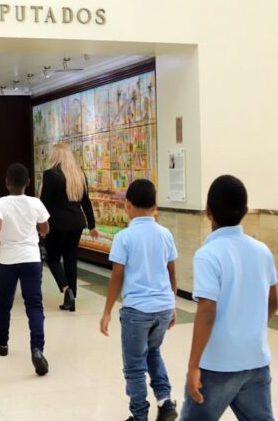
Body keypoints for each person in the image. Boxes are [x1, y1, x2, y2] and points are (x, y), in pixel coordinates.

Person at [181, 175, 278, 421]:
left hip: (217, 365)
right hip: (256, 360)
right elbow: (273, 303)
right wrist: (249, 330)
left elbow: (207, 311)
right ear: (245, 210)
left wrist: (193, 365)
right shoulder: (262, 251)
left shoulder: (208, 254)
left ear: (208, 211)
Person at [99, 179, 179, 421]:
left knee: (134, 366)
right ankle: (165, 401)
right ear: (155, 206)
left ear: (127, 204)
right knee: (153, 352)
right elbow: (172, 273)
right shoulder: (165, 234)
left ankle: (139, 416)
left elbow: (117, 277)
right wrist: (172, 305)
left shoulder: (124, 237)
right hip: (163, 308)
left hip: (137, 312)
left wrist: (107, 311)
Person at [0, 163, 50, 376]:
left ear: (6, 183)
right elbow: (45, 229)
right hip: (31, 258)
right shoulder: (35, 202)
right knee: (34, 305)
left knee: (4, 303)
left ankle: (2, 341)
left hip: (8, 261)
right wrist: (36, 229)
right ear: (28, 183)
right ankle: (37, 349)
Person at [40, 143, 98, 312]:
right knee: (71, 258)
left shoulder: (50, 175)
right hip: (77, 223)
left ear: (54, 156)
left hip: (56, 224)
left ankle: (66, 289)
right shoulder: (79, 175)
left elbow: (44, 204)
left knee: (52, 258)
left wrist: (41, 226)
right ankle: (71, 300)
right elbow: (86, 202)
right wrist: (92, 225)